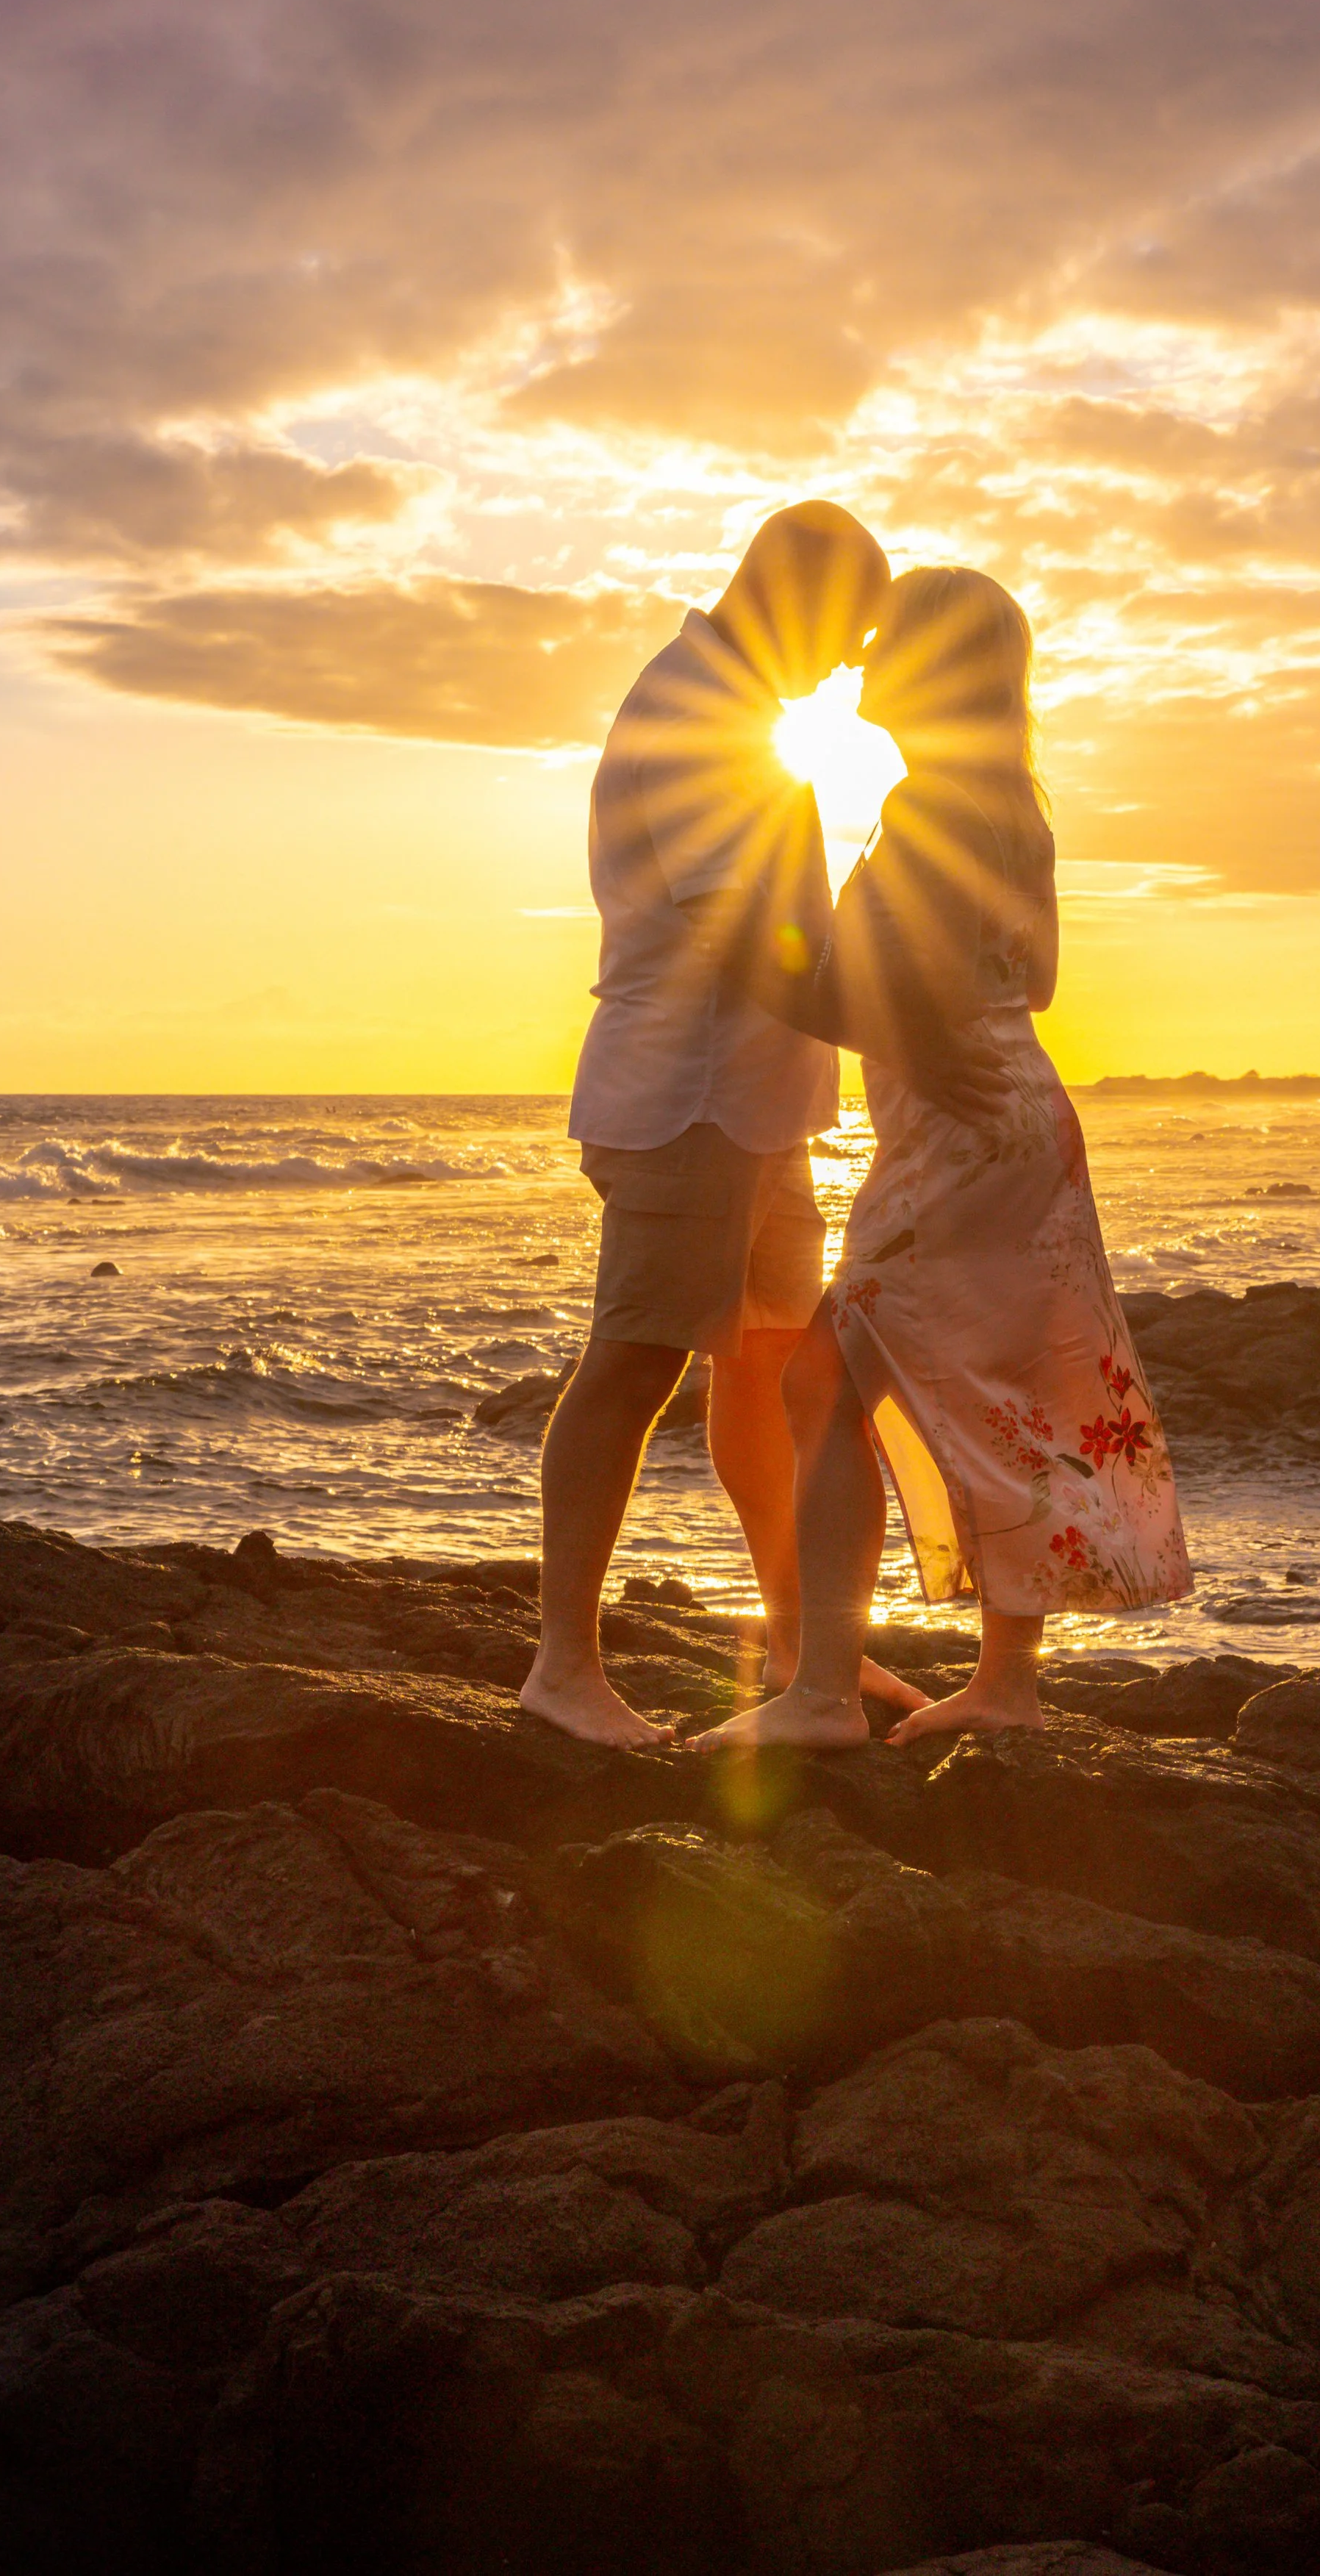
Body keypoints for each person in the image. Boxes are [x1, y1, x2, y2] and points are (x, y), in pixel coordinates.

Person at [520, 504, 1001, 1749]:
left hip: (756, 1112)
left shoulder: (746, 721)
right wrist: (910, 1030)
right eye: (845, 630)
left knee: (778, 1372)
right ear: (789, 593)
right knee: (631, 1365)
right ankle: (562, 1667)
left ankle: (805, 1656)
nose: (850, 662)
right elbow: (749, 938)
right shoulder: (695, 716)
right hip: (683, 1102)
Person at [692, 565, 1193, 1755]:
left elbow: (842, 995)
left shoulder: (925, 814)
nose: (859, 663)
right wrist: (945, 1019)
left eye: (885, 644)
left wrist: (730, 926)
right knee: (1017, 1389)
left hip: (958, 1133)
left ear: (936, 671)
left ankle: (818, 1695)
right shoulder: (1015, 805)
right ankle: (1007, 1687)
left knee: (821, 1382)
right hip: (1022, 1113)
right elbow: (1040, 981)